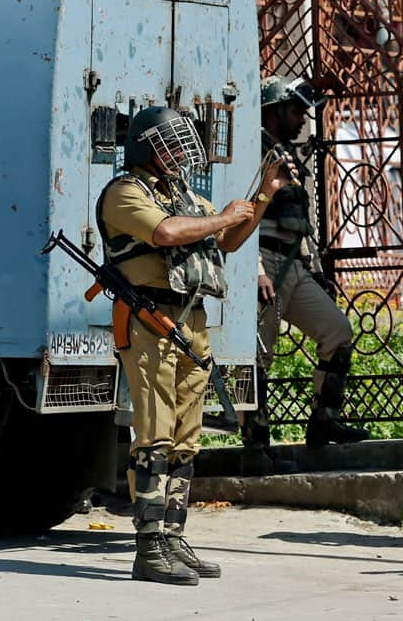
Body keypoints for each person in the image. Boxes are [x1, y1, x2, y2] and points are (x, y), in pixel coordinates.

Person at [98, 106, 287, 585]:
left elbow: (225, 241)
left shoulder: (180, 193)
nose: (179, 151)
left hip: (189, 322)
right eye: (169, 143)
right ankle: (148, 545)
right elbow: (166, 232)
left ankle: (174, 536)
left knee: (186, 437)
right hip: (149, 322)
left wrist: (261, 199)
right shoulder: (125, 193)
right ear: (144, 147)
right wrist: (221, 216)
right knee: (155, 434)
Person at [249, 75, 368, 463]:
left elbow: (299, 222)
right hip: (262, 260)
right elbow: (237, 215)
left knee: (338, 331)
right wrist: (253, 270)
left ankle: (324, 421)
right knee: (257, 357)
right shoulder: (252, 152)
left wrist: (313, 267)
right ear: (274, 110)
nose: (303, 118)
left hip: (291, 264)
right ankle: (257, 448)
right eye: (297, 110)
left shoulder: (285, 154)